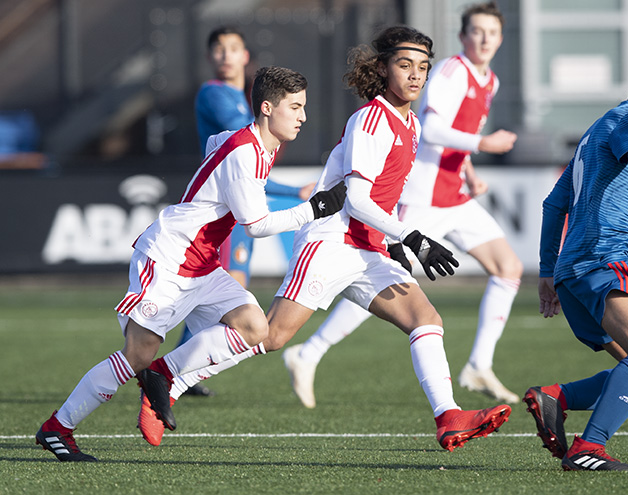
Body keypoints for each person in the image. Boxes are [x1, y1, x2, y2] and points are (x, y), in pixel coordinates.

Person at [138, 26, 511, 452]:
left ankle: (448, 417)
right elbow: (356, 197)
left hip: (364, 246)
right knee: (272, 335)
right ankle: (166, 377)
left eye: (423, 67)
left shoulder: (411, 125)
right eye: (404, 65)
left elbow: (381, 201)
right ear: (383, 68)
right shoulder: (372, 119)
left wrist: (389, 243)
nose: (415, 75)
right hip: (330, 241)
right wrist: (412, 237)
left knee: (426, 319)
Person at [35, 66, 345, 462]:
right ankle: (58, 428)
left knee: (254, 327)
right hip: (168, 255)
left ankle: (162, 377)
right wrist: (312, 209)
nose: (303, 116)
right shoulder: (246, 151)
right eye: (295, 107)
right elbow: (256, 225)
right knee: (137, 355)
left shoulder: (259, 144)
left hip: (200, 263)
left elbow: (216, 143)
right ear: (267, 108)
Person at [283, 1, 522, 409]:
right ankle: (310, 351)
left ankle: (478, 365)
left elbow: (441, 132)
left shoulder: (490, 81)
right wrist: (482, 145)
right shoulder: (448, 72)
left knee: (508, 268)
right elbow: (434, 130)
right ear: (462, 36)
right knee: (383, 275)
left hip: (454, 195)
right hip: (422, 197)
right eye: (477, 31)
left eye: (493, 33)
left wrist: (466, 170)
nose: (485, 39)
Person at [523, 54, 628, 472]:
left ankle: (556, 398)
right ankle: (589, 447)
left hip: (572, 272)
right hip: (604, 259)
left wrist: (548, 271)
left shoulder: (596, 131)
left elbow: (554, 204)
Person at [173, 26, 315, 398]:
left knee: (231, 290)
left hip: (239, 205)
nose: (225, 55)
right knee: (226, 292)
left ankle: (179, 367)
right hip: (226, 207)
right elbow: (242, 158)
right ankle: (175, 366)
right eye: (218, 49)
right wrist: (297, 195)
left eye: (233, 48)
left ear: (245, 56)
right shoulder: (217, 96)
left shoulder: (243, 98)